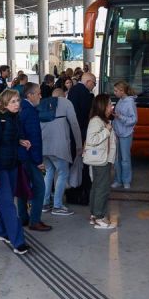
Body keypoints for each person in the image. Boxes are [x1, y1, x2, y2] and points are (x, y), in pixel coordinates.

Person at [0, 89, 31, 255]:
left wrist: (20, 141)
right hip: (0, 168)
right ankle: (18, 242)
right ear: (4, 104)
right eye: (12, 101)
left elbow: (8, 138)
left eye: (18, 100)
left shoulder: (14, 117)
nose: (17, 104)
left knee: (6, 201)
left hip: (12, 165)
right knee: (9, 205)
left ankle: (2, 231)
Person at [40, 81, 83, 216]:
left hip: (43, 146)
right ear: (64, 95)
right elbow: (74, 124)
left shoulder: (43, 103)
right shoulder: (66, 103)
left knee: (49, 172)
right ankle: (57, 205)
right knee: (63, 173)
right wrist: (79, 145)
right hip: (59, 146)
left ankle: (45, 203)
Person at [17, 83, 51, 232]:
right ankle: (35, 220)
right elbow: (34, 138)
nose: (40, 96)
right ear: (29, 95)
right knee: (39, 188)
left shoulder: (21, 108)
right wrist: (38, 161)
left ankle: (23, 217)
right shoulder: (30, 112)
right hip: (30, 157)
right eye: (38, 93)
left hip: (22, 156)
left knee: (23, 187)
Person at [85, 95, 118, 229]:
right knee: (102, 189)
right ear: (102, 106)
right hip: (101, 160)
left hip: (103, 159)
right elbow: (91, 140)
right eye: (109, 104)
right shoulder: (96, 121)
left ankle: (95, 215)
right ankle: (99, 217)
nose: (111, 107)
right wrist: (106, 130)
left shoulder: (101, 120)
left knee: (97, 187)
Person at [66, 72, 96, 202]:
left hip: (72, 130)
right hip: (80, 131)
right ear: (88, 82)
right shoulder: (84, 93)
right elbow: (85, 112)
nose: (93, 87)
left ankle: (72, 189)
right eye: (94, 84)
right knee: (81, 161)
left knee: (73, 161)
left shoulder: (73, 89)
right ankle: (81, 189)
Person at [111, 80, 138, 190]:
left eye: (116, 90)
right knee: (117, 158)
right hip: (117, 132)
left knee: (125, 159)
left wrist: (119, 117)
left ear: (122, 91)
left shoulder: (130, 102)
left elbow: (134, 120)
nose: (114, 93)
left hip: (126, 134)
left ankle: (126, 181)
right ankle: (118, 180)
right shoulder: (120, 101)